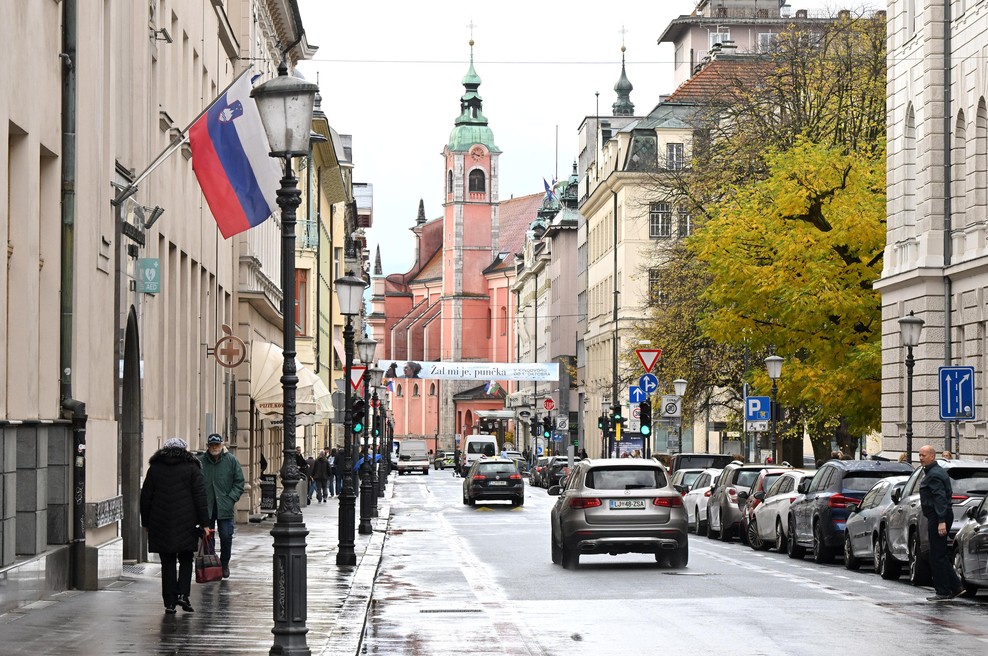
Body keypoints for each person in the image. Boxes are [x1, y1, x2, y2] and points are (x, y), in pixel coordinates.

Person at [140, 437, 209, 614]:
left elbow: (146, 497)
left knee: (167, 561)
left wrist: (146, 522)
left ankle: (169, 601)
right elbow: (200, 498)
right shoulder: (193, 468)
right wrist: (205, 523)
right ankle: (183, 595)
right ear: (184, 450)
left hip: (160, 521)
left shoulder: (155, 468)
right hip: (187, 521)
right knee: (186, 558)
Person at [918, 444, 965, 601]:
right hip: (939, 516)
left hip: (938, 517)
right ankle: (956, 586)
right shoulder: (932, 472)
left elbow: (940, 498)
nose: (921, 458)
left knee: (937, 555)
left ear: (932, 456)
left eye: (924, 455)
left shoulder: (934, 474)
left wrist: (941, 521)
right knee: (939, 554)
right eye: (920, 455)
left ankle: (943, 591)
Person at [199, 433, 245, 579]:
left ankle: (224, 563)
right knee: (207, 537)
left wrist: (231, 498)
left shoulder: (231, 461)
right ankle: (212, 564)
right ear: (208, 446)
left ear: (222, 445)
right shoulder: (201, 462)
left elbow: (239, 482)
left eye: (217, 445)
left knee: (226, 536)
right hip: (207, 506)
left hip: (224, 505)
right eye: (212, 445)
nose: (214, 447)